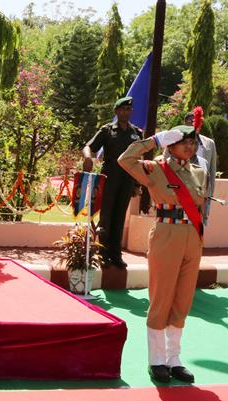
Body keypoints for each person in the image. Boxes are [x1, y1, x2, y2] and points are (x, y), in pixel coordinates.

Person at [118, 125, 208, 384]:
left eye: (193, 142)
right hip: (166, 235)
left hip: (192, 236)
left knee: (182, 299)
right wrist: (154, 140)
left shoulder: (199, 172)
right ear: (171, 144)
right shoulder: (156, 169)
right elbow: (125, 160)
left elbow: (200, 207)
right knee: (162, 297)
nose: (190, 147)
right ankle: (156, 360)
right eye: (183, 142)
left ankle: (174, 359)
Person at [82, 96, 143, 269]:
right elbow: (89, 147)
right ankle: (103, 254)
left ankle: (116, 254)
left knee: (119, 217)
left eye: (129, 109)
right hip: (109, 179)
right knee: (106, 217)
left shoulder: (137, 133)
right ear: (116, 111)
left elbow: (140, 160)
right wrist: (88, 157)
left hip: (127, 180)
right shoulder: (108, 130)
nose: (126, 112)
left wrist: (138, 184)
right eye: (123, 109)